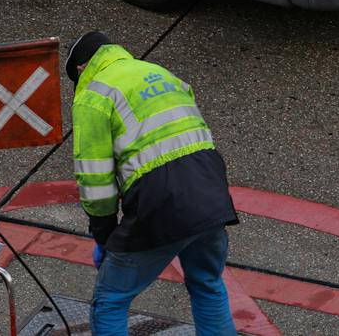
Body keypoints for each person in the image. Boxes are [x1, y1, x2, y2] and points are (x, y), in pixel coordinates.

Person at [67, 30, 238, 336]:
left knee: (110, 300)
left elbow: (94, 177)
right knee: (208, 284)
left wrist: (104, 233)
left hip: (161, 197)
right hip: (210, 190)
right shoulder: (159, 74)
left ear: (82, 68)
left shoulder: (93, 94)